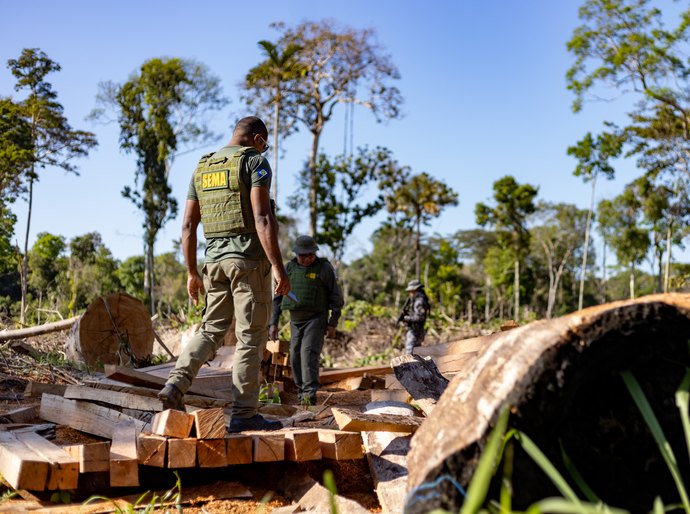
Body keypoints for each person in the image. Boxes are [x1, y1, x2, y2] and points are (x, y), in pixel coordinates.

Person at [158, 116, 290, 433]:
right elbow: (262, 217)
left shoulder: (202, 168)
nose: (265, 148)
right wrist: (278, 266)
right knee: (250, 337)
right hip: (247, 262)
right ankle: (244, 413)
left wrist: (192, 272)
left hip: (213, 263)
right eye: (265, 143)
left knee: (210, 329)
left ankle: (176, 383)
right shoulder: (255, 161)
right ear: (257, 139)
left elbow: (188, 226)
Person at [269, 235, 344, 405]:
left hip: (316, 319)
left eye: (310, 255)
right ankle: (301, 392)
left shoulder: (324, 268)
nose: (306, 259)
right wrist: (273, 323)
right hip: (295, 320)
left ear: (314, 253)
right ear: (296, 254)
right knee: (295, 355)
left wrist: (333, 323)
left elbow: (336, 297)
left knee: (308, 354)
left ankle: (309, 397)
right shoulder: (288, 269)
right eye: (302, 256)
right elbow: (278, 298)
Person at [398, 280, 431, 355]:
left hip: (416, 332)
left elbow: (419, 317)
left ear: (415, 290)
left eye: (411, 291)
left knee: (410, 354)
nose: (410, 293)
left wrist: (406, 318)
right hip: (417, 331)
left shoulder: (419, 301)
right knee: (416, 354)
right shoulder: (417, 300)